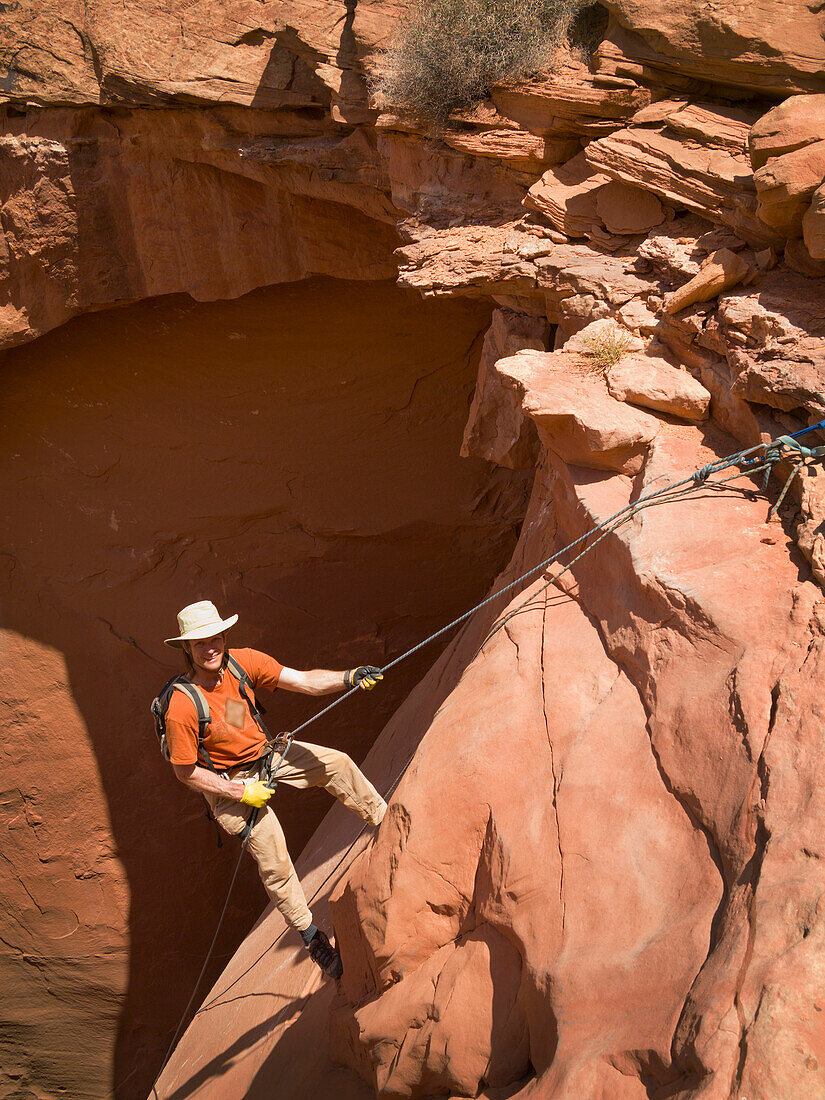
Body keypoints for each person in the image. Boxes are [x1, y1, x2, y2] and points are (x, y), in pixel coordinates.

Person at [162, 600, 387, 979]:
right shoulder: (180, 706)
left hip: (265, 755)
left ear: (224, 635)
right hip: (227, 782)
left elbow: (301, 680)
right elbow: (185, 772)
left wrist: (348, 677)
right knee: (276, 862)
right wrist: (239, 794)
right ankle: (313, 938)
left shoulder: (241, 663)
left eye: (215, 637)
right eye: (200, 643)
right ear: (187, 649)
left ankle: (386, 820)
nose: (210, 647)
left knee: (337, 763)